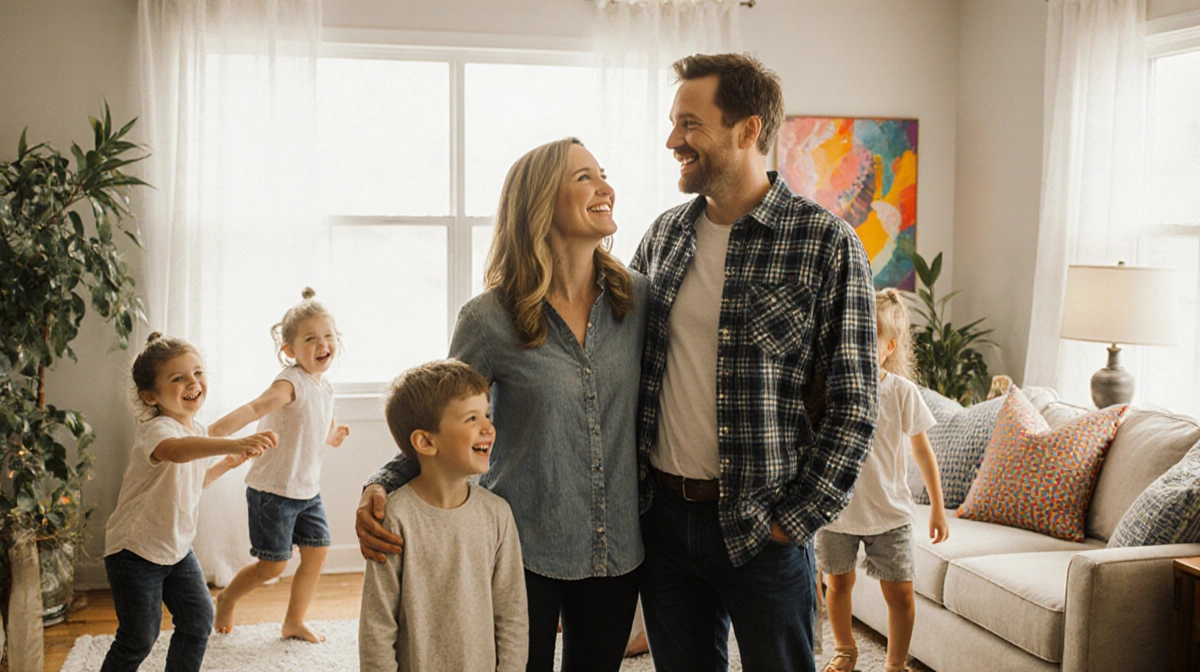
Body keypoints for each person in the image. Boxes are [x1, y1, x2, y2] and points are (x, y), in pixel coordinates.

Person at [356, 138, 648, 672]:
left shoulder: (639, 300)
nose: (605, 187)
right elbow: (439, 418)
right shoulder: (489, 318)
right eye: (584, 177)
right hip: (521, 550)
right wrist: (380, 482)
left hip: (619, 551)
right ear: (539, 201)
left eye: (602, 173)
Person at [630, 53, 879, 672]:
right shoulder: (662, 237)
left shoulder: (825, 242)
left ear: (748, 129)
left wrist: (794, 520)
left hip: (761, 529)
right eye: (672, 123)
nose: (673, 140)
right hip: (661, 522)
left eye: (690, 123)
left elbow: (855, 404)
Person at [101, 333, 277, 672]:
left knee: (198, 622)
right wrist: (234, 444)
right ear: (150, 396)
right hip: (134, 552)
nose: (192, 382)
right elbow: (177, 453)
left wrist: (227, 463)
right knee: (138, 638)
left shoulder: (195, 429)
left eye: (197, 373)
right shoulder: (156, 429)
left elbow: (193, 482)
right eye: (178, 378)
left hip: (176, 548)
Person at [359, 359, 527, 671]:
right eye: (471, 418)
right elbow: (377, 624)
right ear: (425, 441)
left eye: (487, 415)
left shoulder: (497, 516)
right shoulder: (394, 518)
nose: (488, 427)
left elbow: (512, 614)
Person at [816, 289, 950, 672]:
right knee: (837, 586)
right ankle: (845, 649)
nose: (857, 341)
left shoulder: (902, 392)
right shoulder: (831, 387)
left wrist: (938, 508)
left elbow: (923, 452)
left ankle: (894, 664)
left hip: (890, 512)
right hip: (838, 511)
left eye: (869, 335)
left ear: (889, 346)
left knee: (901, 594)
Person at [209, 288, 351, 643]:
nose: (323, 345)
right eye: (311, 339)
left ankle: (293, 621)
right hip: (273, 492)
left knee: (317, 552)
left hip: (307, 491)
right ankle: (226, 598)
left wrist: (332, 438)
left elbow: (316, 426)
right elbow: (257, 408)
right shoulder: (291, 383)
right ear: (289, 350)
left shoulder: (325, 386)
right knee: (272, 565)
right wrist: (212, 434)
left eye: (328, 337)